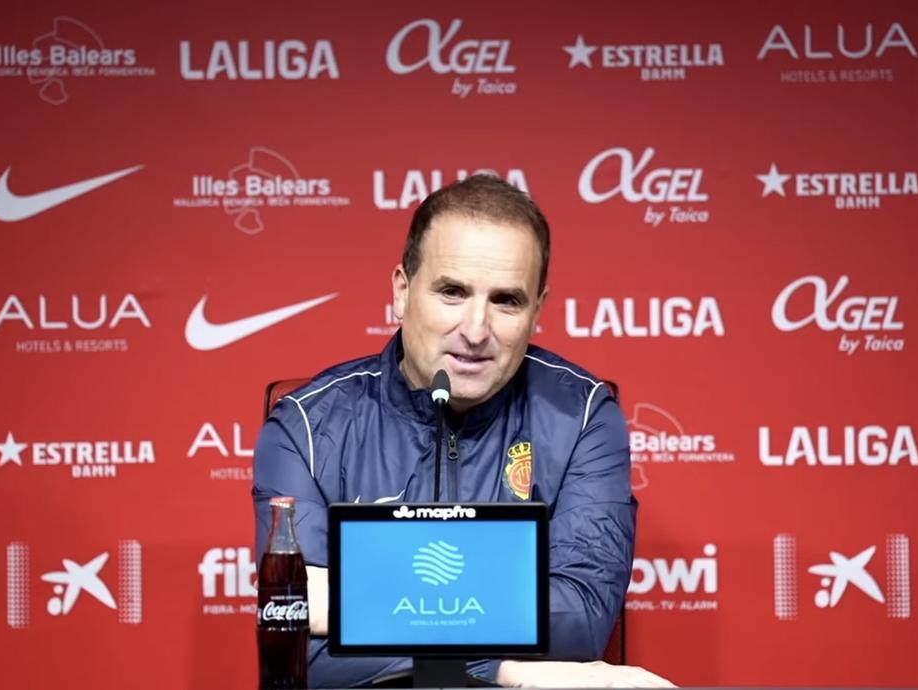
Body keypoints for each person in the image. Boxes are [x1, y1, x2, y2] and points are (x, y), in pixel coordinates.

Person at [253, 175, 674, 688]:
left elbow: (580, 620)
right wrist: (510, 669)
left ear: (537, 311)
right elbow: (305, 653)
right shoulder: (307, 427)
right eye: (452, 292)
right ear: (402, 291)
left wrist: (351, 603)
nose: (476, 331)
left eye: (506, 301)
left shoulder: (584, 415)